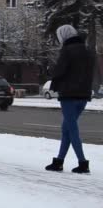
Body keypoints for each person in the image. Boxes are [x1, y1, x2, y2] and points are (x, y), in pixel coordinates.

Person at [45, 25, 93, 174]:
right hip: (84, 95)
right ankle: (59, 161)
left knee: (72, 129)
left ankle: (83, 162)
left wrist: (53, 79)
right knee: (66, 128)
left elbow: (59, 71)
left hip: (69, 95)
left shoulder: (67, 50)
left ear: (63, 36)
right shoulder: (87, 50)